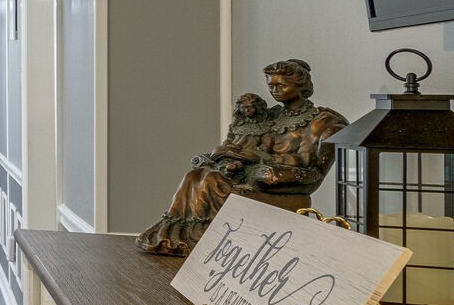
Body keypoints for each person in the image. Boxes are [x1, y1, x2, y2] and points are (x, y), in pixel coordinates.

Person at [136, 60, 349, 257]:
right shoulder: (270, 114)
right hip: (248, 171)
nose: (274, 91)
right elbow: (246, 140)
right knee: (194, 175)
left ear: (300, 85)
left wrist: (260, 163)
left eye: (281, 86)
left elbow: (310, 170)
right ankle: (176, 236)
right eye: (271, 86)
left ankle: (209, 241)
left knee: (211, 182)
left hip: (277, 183)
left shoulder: (321, 122)